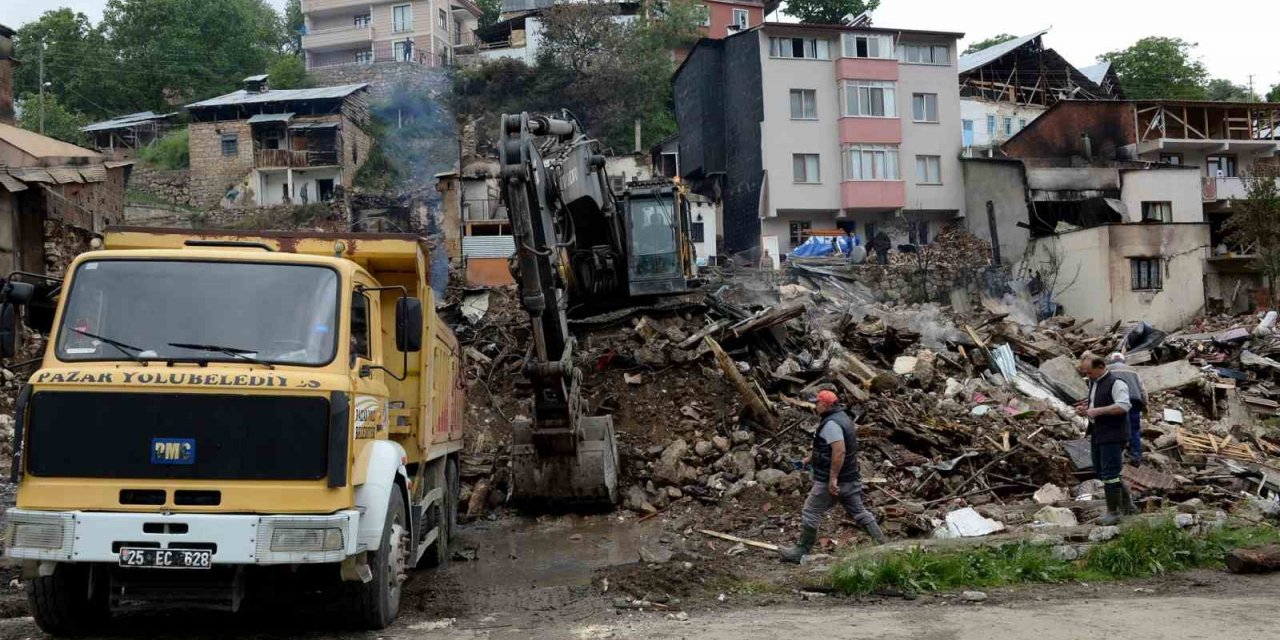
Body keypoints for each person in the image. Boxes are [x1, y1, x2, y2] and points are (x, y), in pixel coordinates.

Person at [779, 390, 885, 563]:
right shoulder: (842, 418)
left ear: (826, 405)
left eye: (817, 403)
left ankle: (800, 551)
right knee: (859, 513)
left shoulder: (831, 424)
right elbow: (825, 446)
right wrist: (809, 459)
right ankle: (881, 546)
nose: (815, 406)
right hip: (850, 478)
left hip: (834, 480)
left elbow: (839, 451)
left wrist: (832, 478)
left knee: (810, 511)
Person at [1076, 353, 1139, 525]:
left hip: (1113, 433)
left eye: (1089, 372)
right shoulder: (1095, 383)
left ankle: (1114, 512)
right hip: (1099, 432)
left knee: (1110, 472)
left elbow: (1123, 406)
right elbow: (1096, 404)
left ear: (1100, 367)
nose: (1087, 375)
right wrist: (1086, 409)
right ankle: (1128, 506)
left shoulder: (1116, 383)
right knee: (1103, 470)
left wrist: (1097, 411)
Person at [1107, 352, 1147, 466]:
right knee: (1134, 429)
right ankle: (1136, 456)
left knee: (1115, 428)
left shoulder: (1107, 369)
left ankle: (1115, 456)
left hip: (1116, 402)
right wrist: (1145, 403)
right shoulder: (1133, 370)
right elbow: (1142, 388)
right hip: (1134, 400)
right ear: (1123, 361)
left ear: (1111, 360)